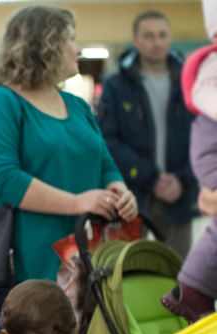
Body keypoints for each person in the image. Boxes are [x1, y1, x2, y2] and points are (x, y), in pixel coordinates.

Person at [0, 5, 137, 317]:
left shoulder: (76, 106)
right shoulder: (0, 102)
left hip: (85, 254)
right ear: (43, 45)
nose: (78, 48)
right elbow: (4, 179)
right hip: (26, 258)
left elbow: (104, 162)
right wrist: (78, 202)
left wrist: (119, 191)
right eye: (71, 39)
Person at [97, 11, 198, 259]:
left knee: (180, 273)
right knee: (129, 269)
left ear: (170, 37)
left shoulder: (190, 82)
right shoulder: (117, 85)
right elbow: (108, 140)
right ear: (136, 39)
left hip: (180, 194)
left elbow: (203, 137)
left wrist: (181, 180)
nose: (157, 42)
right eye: (149, 36)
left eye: (162, 35)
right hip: (133, 196)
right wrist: (151, 178)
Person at [161, 1, 217, 323]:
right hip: (211, 152)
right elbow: (206, 96)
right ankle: (194, 287)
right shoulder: (212, 64)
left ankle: (194, 287)